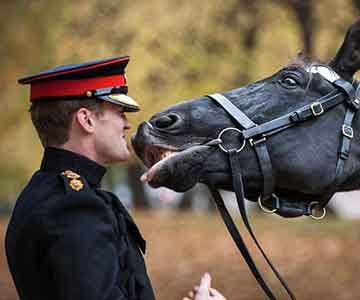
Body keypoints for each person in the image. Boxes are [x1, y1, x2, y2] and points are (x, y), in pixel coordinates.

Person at [6, 56, 225, 300]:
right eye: (120, 112)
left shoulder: (46, 193)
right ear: (86, 120)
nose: (127, 124)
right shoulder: (74, 207)